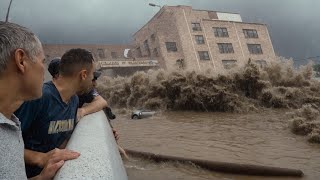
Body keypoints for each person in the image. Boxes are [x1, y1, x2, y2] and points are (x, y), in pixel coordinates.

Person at [0, 21, 79, 180]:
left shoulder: (11, 124)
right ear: (21, 60)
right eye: (42, 61)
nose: (45, 71)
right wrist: (39, 158)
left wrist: (41, 178)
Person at [15, 48, 94, 178]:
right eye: (92, 74)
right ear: (83, 74)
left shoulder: (74, 100)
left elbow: (63, 139)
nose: (93, 79)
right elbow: (5, 141)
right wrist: (40, 158)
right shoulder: (40, 97)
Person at [48, 58, 128, 158]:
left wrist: (83, 111)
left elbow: (102, 102)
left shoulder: (79, 94)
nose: (93, 82)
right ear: (57, 76)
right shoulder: (47, 96)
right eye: (92, 78)